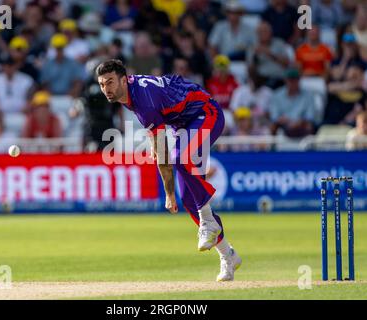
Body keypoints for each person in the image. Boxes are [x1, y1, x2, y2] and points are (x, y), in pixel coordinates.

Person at [96, 59, 242, 282]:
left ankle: (208, 221)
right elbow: (160, 145)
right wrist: (172, 194)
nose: (106, 89)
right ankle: (228, 256)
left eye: (110, 82)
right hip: (183, 125)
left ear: (124, 80)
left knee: (180, 158)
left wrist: (167, 191)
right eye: (102, 84)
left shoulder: (143, 101)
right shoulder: (130, 94)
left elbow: (162, 153)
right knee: (188, 198)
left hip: (206, 113)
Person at [269, 67, 316, 138]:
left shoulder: (308, 95)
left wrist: (299, 122)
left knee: (309, 125)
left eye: (295, 79)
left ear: (299, 80)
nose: (292, 82)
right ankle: (273, 147)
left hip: (301, 125)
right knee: (273, 125)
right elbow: (274, 117)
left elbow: (310, 117)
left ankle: (309, 147)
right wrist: (287, 121)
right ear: (285, 80)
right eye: (290, 79)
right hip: (283, 125)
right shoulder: (277, 95)